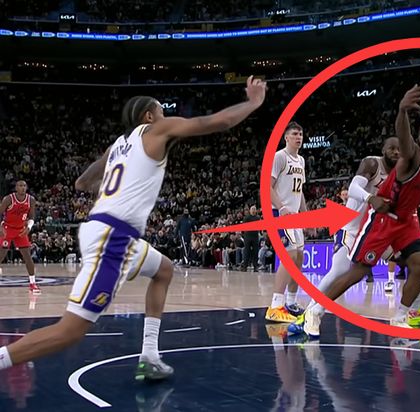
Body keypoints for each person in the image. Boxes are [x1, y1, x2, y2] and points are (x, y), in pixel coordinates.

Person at [0, 76, 267, 379]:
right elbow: (215, 122)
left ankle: (149, 356)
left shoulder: (117, 146)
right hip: (113, 238)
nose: (166, 117)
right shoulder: (156, 130)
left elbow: (81, 182)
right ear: (149, 116)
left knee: (164, 270)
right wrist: (253, 102)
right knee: (70, 331)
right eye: (162, 112)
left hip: (112, 234)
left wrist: (109, 181)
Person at [301, 84, 420, 337]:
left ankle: (402, 316)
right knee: (358, 271)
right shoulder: (411, 156)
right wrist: (402, 110)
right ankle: (316, 311)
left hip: (407, 222)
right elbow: (403, 136)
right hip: (383, 219)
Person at [288, 138, 402, 335]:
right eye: (392, 148)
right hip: (351, 229)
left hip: (375, 232)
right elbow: (354, 189)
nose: (396, 152)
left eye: (399, 149)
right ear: (383, 149)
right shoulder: (372, 164)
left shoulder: (400, 174)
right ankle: (308, 314)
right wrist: (370, 198)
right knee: (338, 270)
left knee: (414, 260)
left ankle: (413, 310)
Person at [265, 122, 312, 323]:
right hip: (279, 213)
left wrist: (306, 215)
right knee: (289, 255)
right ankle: (275, 306)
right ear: (286, 137)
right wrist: (281, 207)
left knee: (299, 257)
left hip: (295, 216)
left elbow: (299, 191)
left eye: (300, 134)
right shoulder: (279, 157)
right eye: (294, 134)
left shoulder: (301, 160)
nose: (298, 137)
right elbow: (267, 186)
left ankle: (291, 302)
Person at [0, 180, 39, 294]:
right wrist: (0, 227)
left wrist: (29, 227)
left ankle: (32, 284)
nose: (23, 188)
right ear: (16, 188)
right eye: (20, 186)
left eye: (24, 186)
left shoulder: (31, 200)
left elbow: (32, 217)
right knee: (2, 254)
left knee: (27, 256)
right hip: (8, 228)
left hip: (21, 230)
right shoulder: (9, 199)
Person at [240, 206, 261, 271]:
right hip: (248, 236)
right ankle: (245, 266)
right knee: (246, 251)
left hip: (255, 236)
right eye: (252, 209)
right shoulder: (246, 217)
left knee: (255, 252)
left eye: (254, 209)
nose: (253, 210)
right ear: (250, 210)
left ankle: (255, 266)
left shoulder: (258, 218)